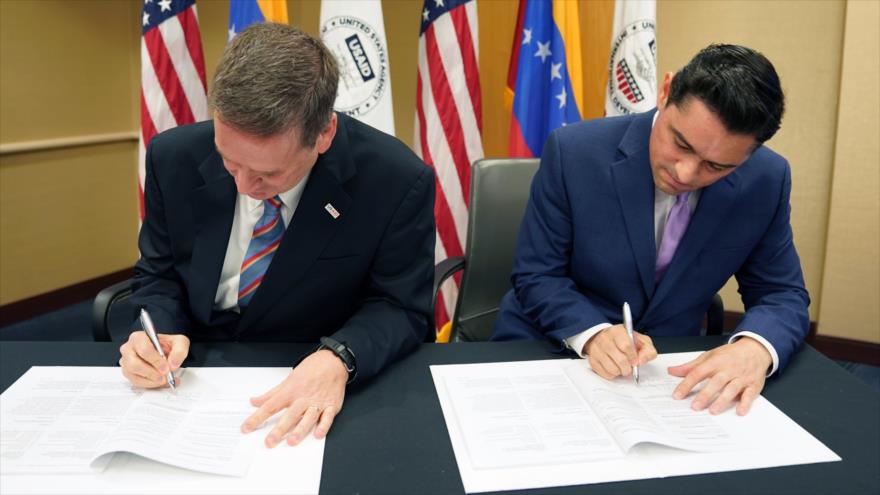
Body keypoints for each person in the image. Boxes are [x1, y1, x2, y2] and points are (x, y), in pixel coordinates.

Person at [118, 23, 435, 447]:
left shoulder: (395, 180)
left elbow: (401, 307)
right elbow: (159, 275)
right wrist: (154, 335)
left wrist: (339, 357)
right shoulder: (172, 157)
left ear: (323, 134)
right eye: (230, 163)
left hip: (310, 367)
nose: (245, 187)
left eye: (269, 173)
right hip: (193, 371)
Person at [492, 44, 809, 416]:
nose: (686, 174)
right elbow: (537, 274)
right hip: (549, 346)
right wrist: (591, 333)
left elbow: (782, 293)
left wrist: (755, 347)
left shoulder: (766, 180)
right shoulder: (574, 152)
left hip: (669, 374)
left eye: (715, 166)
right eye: (680, 144)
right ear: (665, 91)